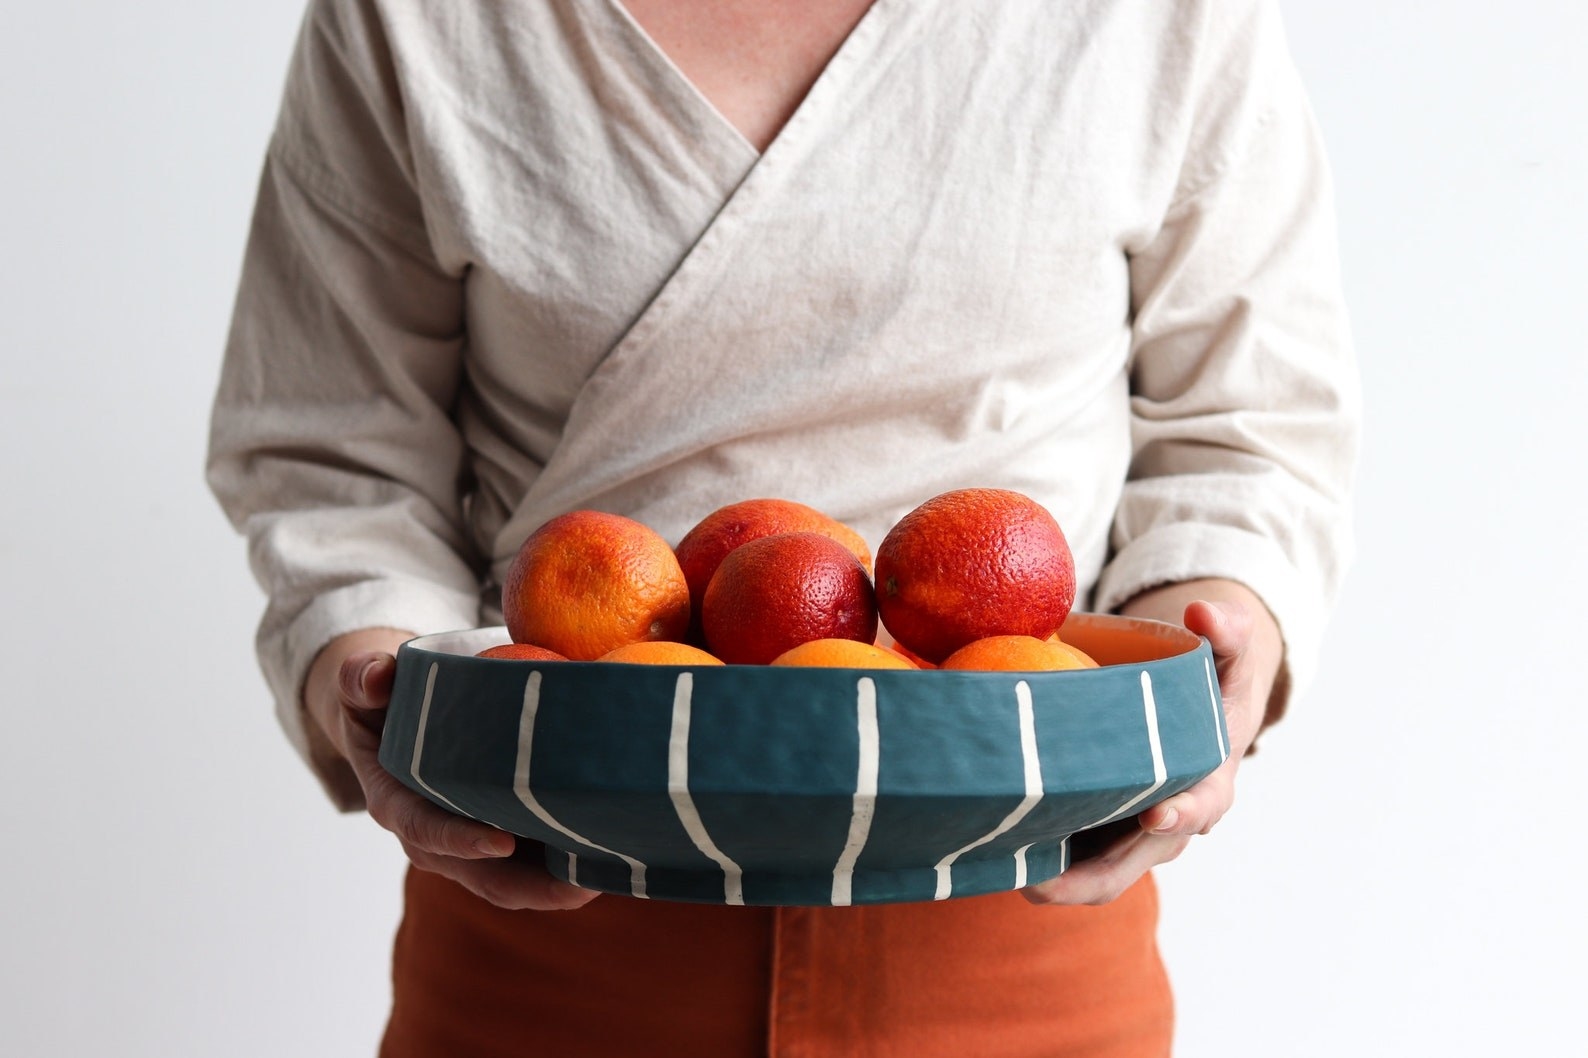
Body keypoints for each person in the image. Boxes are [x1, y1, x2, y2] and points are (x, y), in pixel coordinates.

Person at [207, 0, 1358, 1054]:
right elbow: (332, 449)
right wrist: (378, 683)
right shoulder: (415, 20)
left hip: (1018, 904)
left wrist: (1191, 654)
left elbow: (1249, 424)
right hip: (555, 906)